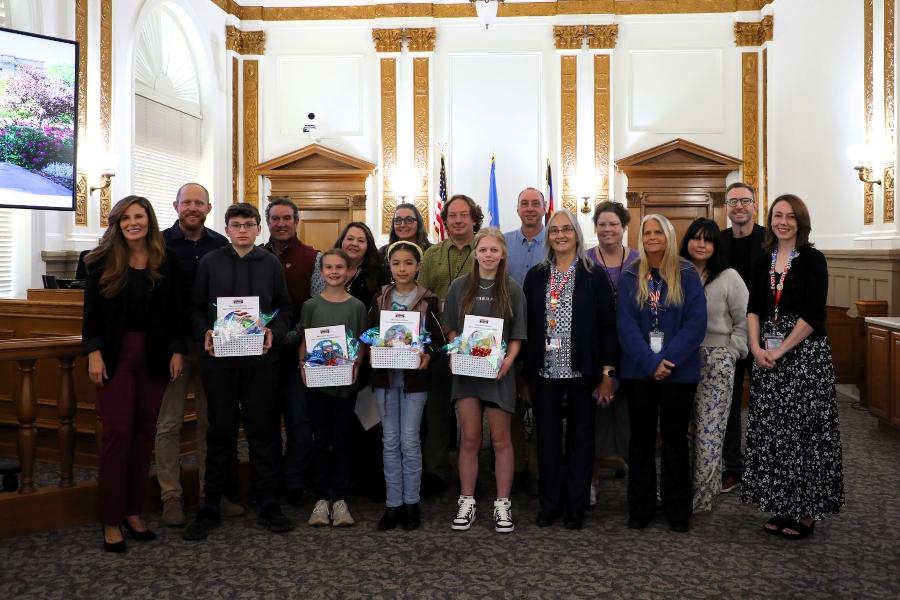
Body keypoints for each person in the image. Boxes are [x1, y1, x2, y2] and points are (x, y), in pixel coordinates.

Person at [183, 202, 295, 540]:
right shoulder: (211, 262)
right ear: (227, 228)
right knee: (220, 433)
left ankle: (268, 503)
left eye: (249, 224)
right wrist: (204, 330)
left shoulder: (271, 263)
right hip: (220, 362)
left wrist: (275, 332)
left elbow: (285, 307)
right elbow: (195, 308)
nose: (243, 230)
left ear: (258, 229)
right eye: (236, 225)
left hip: (260, 362)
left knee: (263, 432)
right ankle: (211, 505)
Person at [82, 195, 186, 552]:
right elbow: (91, 315)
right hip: (114, 356)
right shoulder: (97, 260)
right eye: (125, 218)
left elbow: (177, 312)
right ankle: (111, 518)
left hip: (156, 357)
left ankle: (133, 510)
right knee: (117, 435)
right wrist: (93, 353)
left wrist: (177, 350)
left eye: (138, 216)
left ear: (149, 220)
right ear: (117, 223)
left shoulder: (166, 260)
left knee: (144, 435)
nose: (132, 223)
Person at [741, 194, 844, 539]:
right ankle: (783, 505)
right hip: (766, 357)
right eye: (777, 215)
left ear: (801, 221)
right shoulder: (761, 261)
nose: (782, 221)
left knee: (805, 433)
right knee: (775, 434)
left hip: (804, 357)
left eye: (790, 216)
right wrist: (756, 347)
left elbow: (814, 314)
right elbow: (754, 307)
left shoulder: (813, 260)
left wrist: (781, 349)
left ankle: (807, 511)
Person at [523, 209, 617, 530]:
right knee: (547, 442)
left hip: (583, 372)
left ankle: (575, 507)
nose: (560, 235)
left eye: (566, 229)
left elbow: (608, 328)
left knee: (581, 441)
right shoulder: (536, 275)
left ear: (577, 234)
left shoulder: (594, 274)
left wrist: (607, 375)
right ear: (548, 237)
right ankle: (550, 505)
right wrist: (525, 376)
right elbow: (528, 327)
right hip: (545, 372)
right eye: (554, 231)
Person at [617, 213, 706, 533]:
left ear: (668, 235)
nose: (652, 237)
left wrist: (667, 360)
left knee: (674, 441)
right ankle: (640, 507)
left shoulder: (686, 273)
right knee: (640, 440)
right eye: (647, 232)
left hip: (678, 373)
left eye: (659, 232)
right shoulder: (630, 276)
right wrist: (649, 362)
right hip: (639, 372)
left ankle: (676, 508)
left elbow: (696, 324)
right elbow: (625, 326)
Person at [154, 183, 233, 527]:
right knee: (169, 424)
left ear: (209, 208)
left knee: (210, 422)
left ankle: (209, 493)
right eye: (187, 202)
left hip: (214, 346)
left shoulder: (221, 244)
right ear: (176, 205)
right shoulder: (157, 243)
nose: (193, 208)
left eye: (199, 203)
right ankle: (170, 496)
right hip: (174, 345)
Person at [442, 228, 526, 533]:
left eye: (494, 250)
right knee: (470, 439)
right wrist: (456, 350)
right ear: (475, 253)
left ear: (503, 254)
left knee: (502, 440)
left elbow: (517, 335)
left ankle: (503, 503)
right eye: (483, 250)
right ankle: (467, 500)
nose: (488, 255)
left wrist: (508, 361)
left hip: (498, 373)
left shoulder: (513, 289)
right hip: (467, 373)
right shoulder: (459, 287)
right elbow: (451, 328)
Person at [369, 241, 444, 531]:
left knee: (410, 441)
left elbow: (438, 340)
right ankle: (393, 504)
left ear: (418, 266)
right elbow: (368, 333)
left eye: (408, 263)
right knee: (390, 442)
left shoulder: (428, 300)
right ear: (390, 266)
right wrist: (375, 343)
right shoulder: (379, 299)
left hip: (415, 382)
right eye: (396, 263)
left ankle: (412, 503)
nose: (402, 268)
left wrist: (429, 354)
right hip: (385, 381)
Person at [678, 218, 748, 512]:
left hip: (717, 359)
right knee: (684, 431)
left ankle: (702, 498)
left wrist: (733, 351)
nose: (702, 244)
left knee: (709, 432)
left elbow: (745, 319)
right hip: (680, 358)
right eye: (696, 238)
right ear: (688, 241)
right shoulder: (676, 273)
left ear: (715, 245)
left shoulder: (729, 276)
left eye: (708, 239)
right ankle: (680, 490)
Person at [298, 248, 369, 527]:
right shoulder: (311, 305)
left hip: (345, 385)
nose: (335, 272)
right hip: (317, 384)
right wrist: (301, 365)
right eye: (329, 267)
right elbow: (305, 340)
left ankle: (340, 499)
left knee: (342, 439)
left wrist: (356, 367)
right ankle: (320, 499)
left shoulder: (357, 306)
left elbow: (361, 343)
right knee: (320, 439)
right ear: (321, 271)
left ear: (349, 271)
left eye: (341, 267)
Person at [418, 194, 482, 496]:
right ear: (445, 220)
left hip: (474, 342)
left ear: (473, 218)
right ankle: (437, 471)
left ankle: (475, 473)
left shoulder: (484, 250)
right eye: (452, 215)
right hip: (438, 341)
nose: (457, 220)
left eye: (463, 215)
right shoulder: (431, 254)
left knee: (474, 409)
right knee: (437, 409)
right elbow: (423, 294)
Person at [262, 198, 320, 507]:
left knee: (300, 422)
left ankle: (295, 481)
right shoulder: (254, 256)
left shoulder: (314, 258)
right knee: (266, 422)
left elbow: (316, 307)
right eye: (275, 218)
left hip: (299, 355)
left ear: (296, 221)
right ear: (267, 222)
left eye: (287, 218)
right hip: (261, 356)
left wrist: (289, 337)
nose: (281, 223)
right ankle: (269, 483)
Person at [585, 201, 639, 507]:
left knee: (629, 418)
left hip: (631, 350)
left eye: (613, 224)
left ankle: (639, 480)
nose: (607, 229)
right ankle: (591, 479)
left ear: (623, 227)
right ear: (595, 228)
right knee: (594, 416)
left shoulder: (638, 261)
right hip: (597, 350)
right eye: (602, 224)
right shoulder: (586, 261)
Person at [718, 182, 766, 494]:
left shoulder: (770, 239)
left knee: (765, 403)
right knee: (730, 404)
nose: (739, 206)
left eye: (744, 201)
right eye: (733, 201)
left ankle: (764, 466)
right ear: (726, 207)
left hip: (765, 335)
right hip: (729, 337)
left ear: (754, 206)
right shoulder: (718, 242)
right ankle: (733, 467)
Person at [503, 187, 547, 492]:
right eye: (525, 204)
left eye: (536, 203)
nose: (530, 208)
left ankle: (542, 468)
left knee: (543, 406)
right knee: (511, 406)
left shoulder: (557, 241)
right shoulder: (503, 243)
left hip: (548, 337)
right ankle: (516, 467)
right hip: (508, 337)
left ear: (544, 208)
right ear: (517, 209)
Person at [377, 203, 433, 283]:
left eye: (409, 220)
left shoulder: (432, 252)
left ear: (419, 223)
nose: (403, 225)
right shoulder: (383, 253)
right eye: (398, 220)